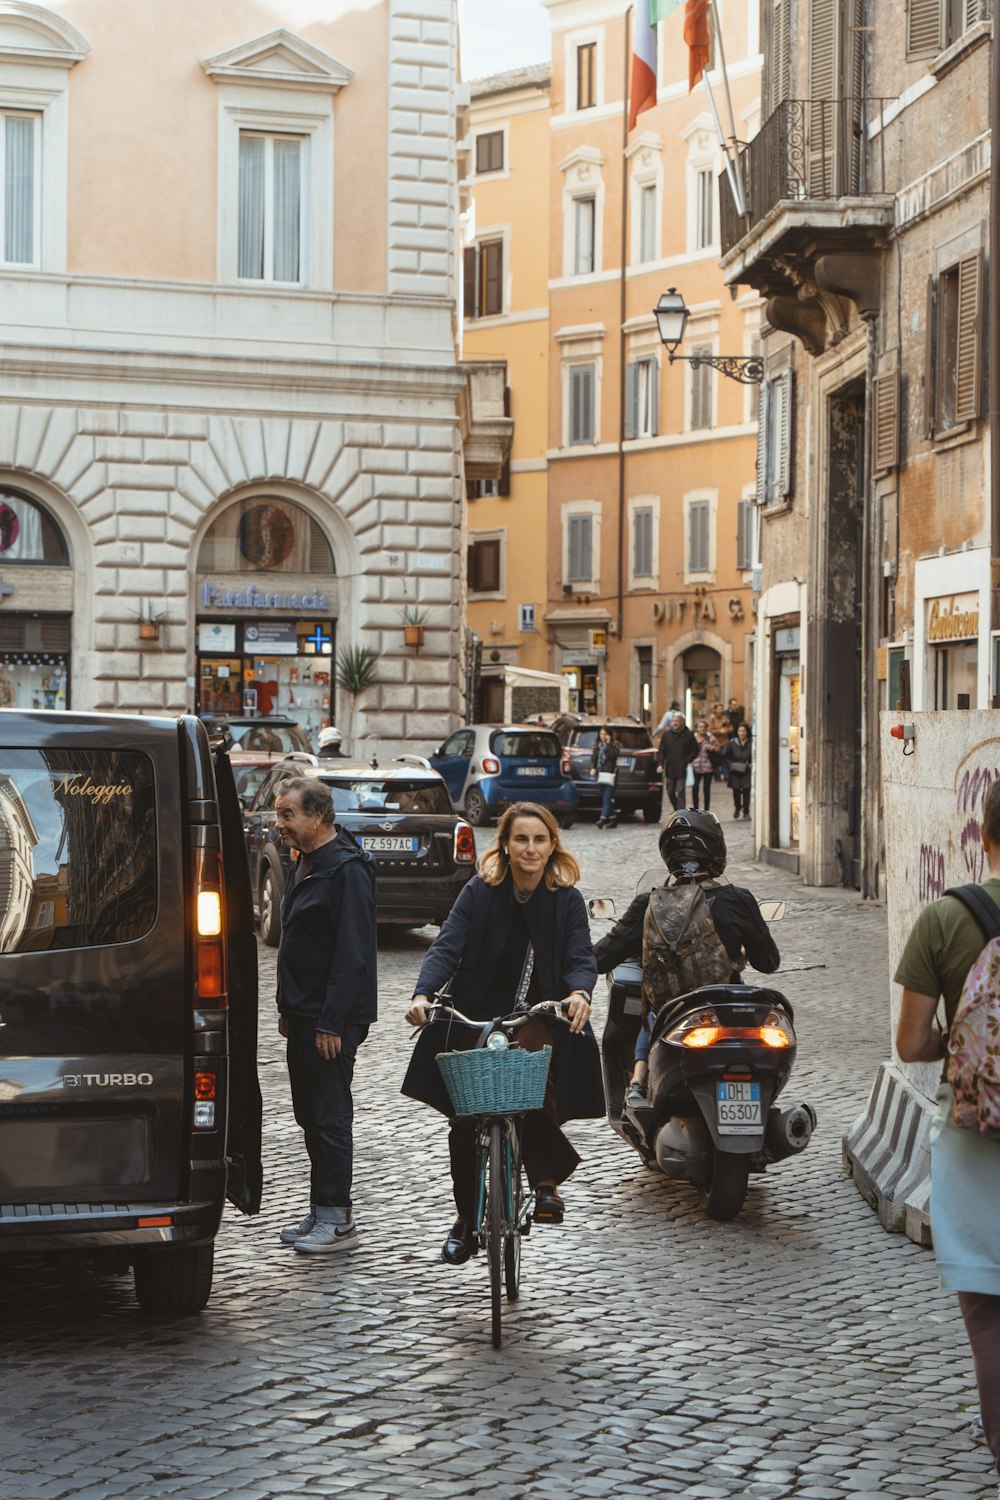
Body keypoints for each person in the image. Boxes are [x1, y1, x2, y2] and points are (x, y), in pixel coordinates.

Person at [403, 802, 602, 1264]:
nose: (530, 849)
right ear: (506, 846)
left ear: (552, 845)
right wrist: (423, 994)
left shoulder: (566, 899)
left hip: (542, 1011)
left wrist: (579, 993)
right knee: (464, 1117)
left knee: (530, 1063)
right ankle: (467, 1219)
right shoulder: (480, 891)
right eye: (520, 839)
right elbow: (447, 944)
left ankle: (546, 1181)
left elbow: (580, 956)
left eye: (539, 840)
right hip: (477, 1010)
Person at [896, 780, 1000, 1488]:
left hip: (974, 1136)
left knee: (990, 1320)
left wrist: (961, 1048)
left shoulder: (946, 917)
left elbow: (910, 1043)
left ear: (982, 834)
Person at [594, 810, 780, 1102]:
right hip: (728, 1014)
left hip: (672, 1016)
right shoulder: (737, 899)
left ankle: (638, 1083)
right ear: (717, 852)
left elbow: (601, 958)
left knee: (650, 1013)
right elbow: (769, 963)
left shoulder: (649, 903)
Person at [273, 776, 377, 1254]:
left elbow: (352, 953)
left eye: (287, 815)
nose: (280, 825)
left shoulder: (347, 869)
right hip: (305, 1013)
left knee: (330, 1117)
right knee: (308, 1116)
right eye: (279, 815)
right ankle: (320, 1209)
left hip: (331, 1019)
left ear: (317, 816)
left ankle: (338, 1219)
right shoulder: (307, 862)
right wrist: (288, 1008)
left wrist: (331, 1020)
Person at [658, 711, 698, 812]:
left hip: (682, 767)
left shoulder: (689, 734)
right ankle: (678, 808)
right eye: (673, 721)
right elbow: (662, 750)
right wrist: (660, 764)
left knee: (680, 791)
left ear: (682, 722)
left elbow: (695, 749)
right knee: (670, 790)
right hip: (670, 767)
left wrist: (688, 759)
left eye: (677, 721)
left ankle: (681, 813)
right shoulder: (666, 735)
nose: (675, 723)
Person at [590, 724, 620, 829]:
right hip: (600, 774)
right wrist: (593, 768)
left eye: (605, 734)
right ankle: (613, 819)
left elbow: (613, 756)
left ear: (610, 735)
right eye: (601, 734)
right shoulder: (597, 745)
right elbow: (594, 758)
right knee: (606, 798)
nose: (603, 736)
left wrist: (608, 745)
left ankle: (602, 819)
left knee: (606, 798)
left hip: (611, 775)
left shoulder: (614, 745)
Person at [724, 722, 753, 820]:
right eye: (740, 731)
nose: (742, 733)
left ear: (747, 732)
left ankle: (746, 811)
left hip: (747, 770)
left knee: (746, 791)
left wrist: (752, 764)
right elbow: (725, 756)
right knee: (736, 791)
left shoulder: (751, 743)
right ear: (737, 732)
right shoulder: (732, 743)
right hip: (735, 771)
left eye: (744, 731)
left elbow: (754, 756)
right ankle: (737, 807)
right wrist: (730, 765)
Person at [690, 718, 720, 812]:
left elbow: (718, 748)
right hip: (695, 766)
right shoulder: (692, 738)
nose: (702, 729)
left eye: (704, 727)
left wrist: (711, 748)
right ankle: (696, 809)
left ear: (706, 728)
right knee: (695, 787)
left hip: (708, 767)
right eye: (700, 727)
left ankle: (707, 810)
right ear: (696, 728)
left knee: (706, 789)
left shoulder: (710, 738)